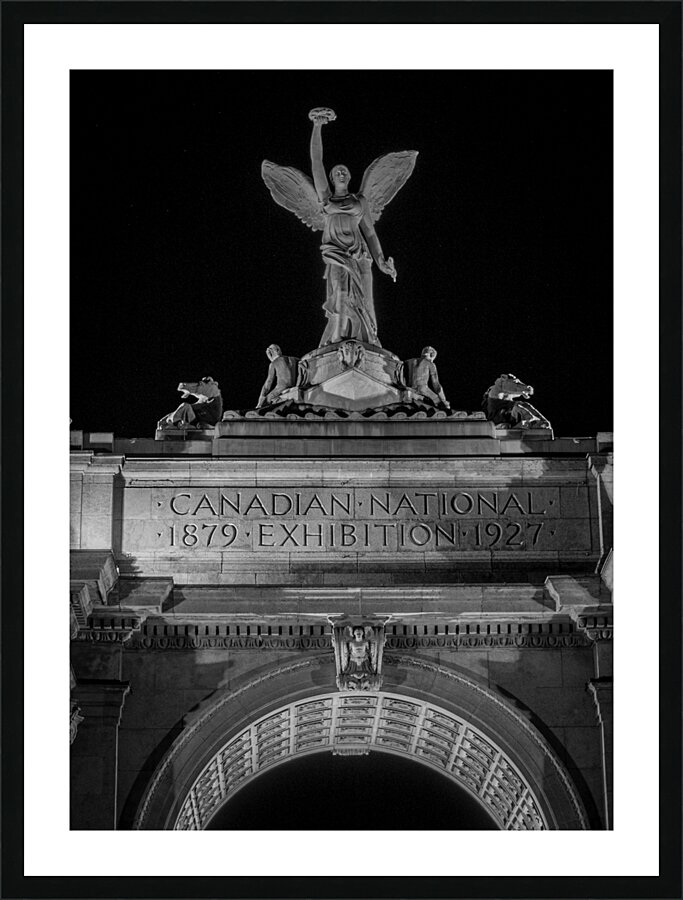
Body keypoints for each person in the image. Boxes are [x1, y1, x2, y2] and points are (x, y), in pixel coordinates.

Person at [309, 109, 397, 347]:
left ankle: (368, 340)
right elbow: (316, 162)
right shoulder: (326, 199)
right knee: (339, 295)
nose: (340, 172)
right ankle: (337, 339)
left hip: (359, 254)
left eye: (344, 171)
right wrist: (317, 126)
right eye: (336, 170)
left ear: (349, 177)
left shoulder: (360, 201)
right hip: (336, 252)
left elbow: (370, 232)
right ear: (331, 177)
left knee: (364, 299)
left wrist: (380, 260)